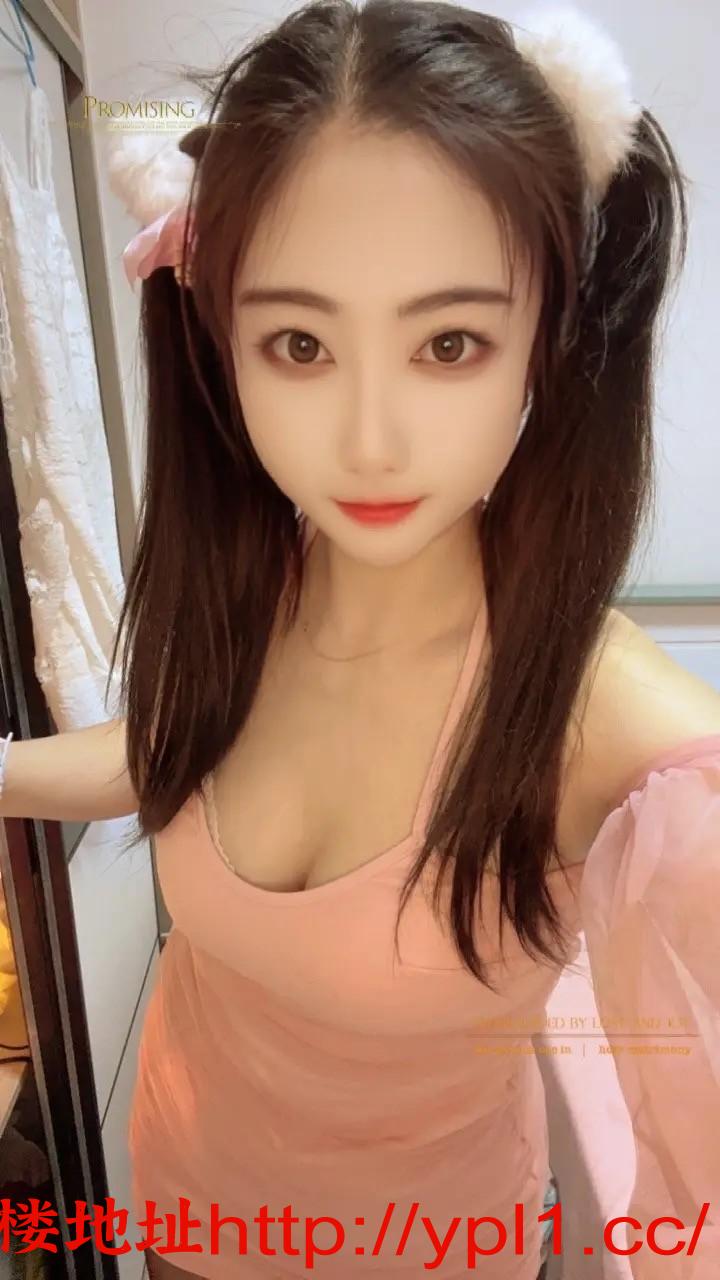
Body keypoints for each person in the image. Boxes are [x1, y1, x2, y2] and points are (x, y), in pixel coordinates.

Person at [2, 1, 719, 1276]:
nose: (370, 441)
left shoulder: (609, 721)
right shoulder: (253, 585)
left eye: (449, 342)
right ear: (223, 347)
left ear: (545, 340)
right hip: (186, 1207)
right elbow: (170, 754)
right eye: (300, 344)